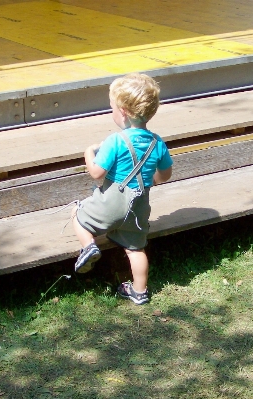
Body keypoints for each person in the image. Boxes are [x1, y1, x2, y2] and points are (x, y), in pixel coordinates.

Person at [71, 73, 173, 305]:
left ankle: (89, 247)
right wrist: (151, 179)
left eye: (112, 108)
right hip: (138, 207)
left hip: (111, 203)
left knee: (77, 214)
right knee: (136, 249)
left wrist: (89, 153)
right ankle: (139, 292)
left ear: (123, 112)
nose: (112, 112)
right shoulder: (157, 142)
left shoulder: (114, 141)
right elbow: (165, 175)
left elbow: (97, 173)